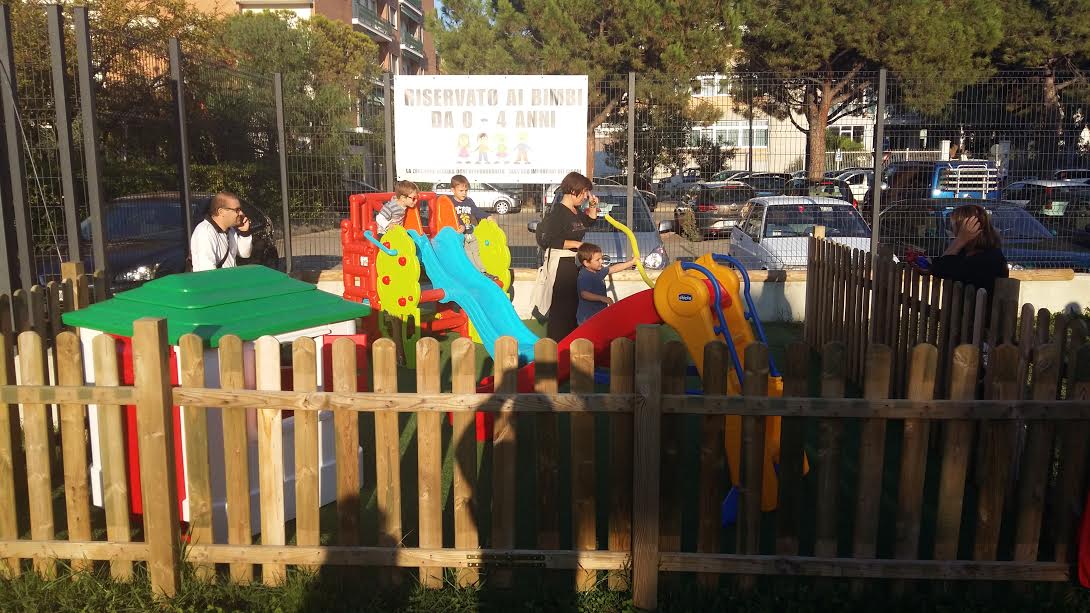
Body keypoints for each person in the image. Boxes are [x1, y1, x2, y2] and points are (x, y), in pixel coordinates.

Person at [531, 171, 600, 341]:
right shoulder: (558, 213)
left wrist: (592, 206)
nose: (585, 197)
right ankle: (557, 344)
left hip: (573, 263)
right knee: (561, 307)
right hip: (562, 265)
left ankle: (570, 342)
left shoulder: (575, 211)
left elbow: (588, 222)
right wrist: (576, 244)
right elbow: (550, 239)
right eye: (583, 193)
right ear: (573, 191)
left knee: (572, 307)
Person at [927, 203, 1008, 296]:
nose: (953, 230)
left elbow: (940, 269)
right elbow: (940, 264)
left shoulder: (987, 258)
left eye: (955, 226)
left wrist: (960, 239)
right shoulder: (966, 252)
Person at [189, 191, 252, 272]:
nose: (241, 213)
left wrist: (245, 232)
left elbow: (245, 254)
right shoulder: (205, 232)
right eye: (237, 210)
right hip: (217, 280)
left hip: (229, 279)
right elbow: (207, 272)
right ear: (221, 211)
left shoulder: (230, 230)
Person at [576, 242, 635, 325]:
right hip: (587, 318)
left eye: (601, 258)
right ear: (586, 263)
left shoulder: (598, 271)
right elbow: (584, 294)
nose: (601, 261)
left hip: (598, 315)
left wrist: (631, 262)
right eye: (597, 260)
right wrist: (602, 298)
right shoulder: (584, 275)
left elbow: (613, 268)